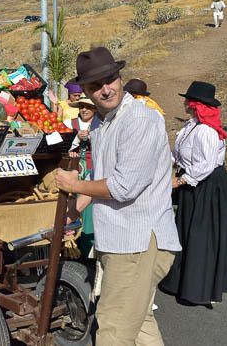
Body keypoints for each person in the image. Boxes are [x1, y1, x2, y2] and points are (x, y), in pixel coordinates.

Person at [55, 47, 180, 346]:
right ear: (85, 91)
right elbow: (105, 175)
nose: (105, 89)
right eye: (95, 86)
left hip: (137, 242)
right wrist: (77, 207)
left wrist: (75, 187)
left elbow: (124, 187)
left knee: (112, 330)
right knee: (139, 324)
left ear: (120, 77)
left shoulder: (140, 119)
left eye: (110, 80)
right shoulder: (101, 123)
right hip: (121, 240)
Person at [159, 81, 227, 306]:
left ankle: (196, 289)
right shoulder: (192, 125)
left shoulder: (205, 131)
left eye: (187, 100)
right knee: (184, 232)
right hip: (193, 185)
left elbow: (205, 165)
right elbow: (180, 154)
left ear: (194, 104)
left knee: (200, 236)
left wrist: (180, 180)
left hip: (207, 187)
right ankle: (178, 282)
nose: (184, 103)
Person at [66, 94, 99, 257]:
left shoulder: (100, 124)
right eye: (81, 106)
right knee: (73, 205)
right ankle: (71, 247)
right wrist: (76, 139)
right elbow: (63, 147)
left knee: (89, 212)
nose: (84, 109)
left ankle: (87, 248)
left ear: (94, 108)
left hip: (93, 173)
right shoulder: (70, 124)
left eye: (88, 106)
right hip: (75, 172)